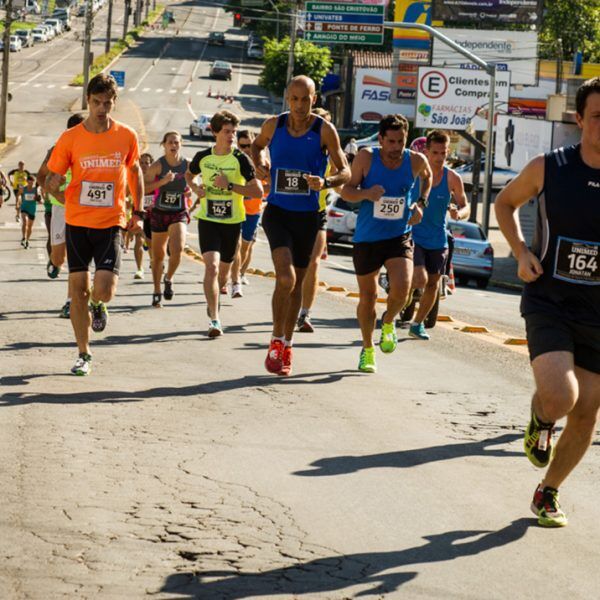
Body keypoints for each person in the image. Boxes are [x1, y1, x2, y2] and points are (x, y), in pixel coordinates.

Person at [495, 76, 600, 528]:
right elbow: (504, 203)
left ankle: (548, 491)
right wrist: (521, 252)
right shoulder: (550, 166)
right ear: (579, 120)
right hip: (550, 298)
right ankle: (541, 415)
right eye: (599, 117)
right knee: (562, 396)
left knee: (586, 413)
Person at [46, 73, 144, 376]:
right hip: (77, 221)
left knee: (103, 288)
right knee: (78, 290)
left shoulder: (126, 135)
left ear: (114, 103)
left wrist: (138, 212)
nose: (102, 109)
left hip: (111, 221)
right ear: (87, 100)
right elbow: (51, 180)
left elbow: (135, 171)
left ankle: (100, 305)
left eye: (107, 103)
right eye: (97, 102)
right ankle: (83, 354)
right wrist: (61, 191)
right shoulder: (70, 138)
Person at [251, 76, 350, 375]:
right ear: (287, 98)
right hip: (278, 211)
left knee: (297, 287)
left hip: (308, 217)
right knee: (285, 278)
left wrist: (326, 182)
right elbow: (256, 146)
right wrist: (260, 163)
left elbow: (344, 170)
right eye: (293, 99)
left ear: (314, 99)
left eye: (304, 99)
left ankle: (286, 344)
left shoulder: (324, 130)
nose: (298, 105)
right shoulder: (274, 125)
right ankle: (274, 338)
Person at [341, 114, 432, 373]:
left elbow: (428, 178)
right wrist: (366, 194)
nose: (395, 147)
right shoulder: (366, 157)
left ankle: (389, 321)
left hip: (398, 235)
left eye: (400, 141)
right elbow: (346, 191)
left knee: (403, 289)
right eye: (390, 141)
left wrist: (421, 204)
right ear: (381, 139)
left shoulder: (415, 160)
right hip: (367, 239)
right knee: (368, 297)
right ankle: (368, 349)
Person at [186, 110, 263, 337]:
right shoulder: (203, 157)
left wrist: (230, 186)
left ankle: (216, 299)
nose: (231, 136)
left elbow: (257, 191)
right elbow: (189, 175)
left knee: (223, 274)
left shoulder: (241, 159)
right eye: (227, 132)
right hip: (208, 220)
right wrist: (196, 188)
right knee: (211, 267)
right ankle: (214, 319)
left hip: (232, 222)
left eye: (234, 132)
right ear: (215, 132)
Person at [409, 130, 469, 340]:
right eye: (435, 152)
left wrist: (459, 213)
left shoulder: (453, 178)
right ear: (426, 151)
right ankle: (405, 296)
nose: (440, 158)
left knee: (434, 283)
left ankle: (417, 324)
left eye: (443, 153)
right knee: (419, 278)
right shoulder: (415, 172)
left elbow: (465, 205)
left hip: (437, 237)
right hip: (413, 234)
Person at [37, 113, 86, 319]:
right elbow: (41, 176)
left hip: (84, 209)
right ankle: (54, 262)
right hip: (60, 207)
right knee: (60, 257)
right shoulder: (56, 150)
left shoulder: (94, 150)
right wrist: (55, 193)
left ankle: (70, 301)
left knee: (78, 258)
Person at [297, 107, 335, 333]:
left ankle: (305, 313)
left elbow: (343, 181)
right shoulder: (298, 145)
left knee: (313, 263)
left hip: (317, 213)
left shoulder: (334, 155)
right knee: (292, 268)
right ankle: (290, 304)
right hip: (290, 212)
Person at [144, 132, 190, 307]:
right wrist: (162, 182)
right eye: (170, 142)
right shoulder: (157, 166)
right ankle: (156, 290)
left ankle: (168, 277)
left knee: (177, 250)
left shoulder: (187, 165)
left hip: (178, 212)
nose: (173, 145)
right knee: (158, 256)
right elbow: (144, 186)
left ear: (181, 144)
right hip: (159, 213)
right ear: (164, 145)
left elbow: (194, 183)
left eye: (176, 142)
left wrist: (190, 191)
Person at [229, 129, 269, 297]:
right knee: (234, 246)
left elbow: (270, 187)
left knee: (245, 247)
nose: (246, 149)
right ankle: (232, 279)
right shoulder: (233, 160)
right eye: (242, 145)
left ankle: (239, 273)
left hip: (253, 211)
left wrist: (254, 191)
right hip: (234, 210)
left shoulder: (263, 164)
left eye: (249, 146)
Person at [19, 175, 41, 249]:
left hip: (32, 209)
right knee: (25, 221)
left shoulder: (36, 190)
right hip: (24, 207)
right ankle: (23, 237)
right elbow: (18, 196)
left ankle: (27, 240)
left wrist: (38, 199)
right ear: (27, 181)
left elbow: (39, 199)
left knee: (30, 226)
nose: (31, 183)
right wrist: (17, 204)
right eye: (30, 181)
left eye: (33, 182)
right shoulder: (23, 189)